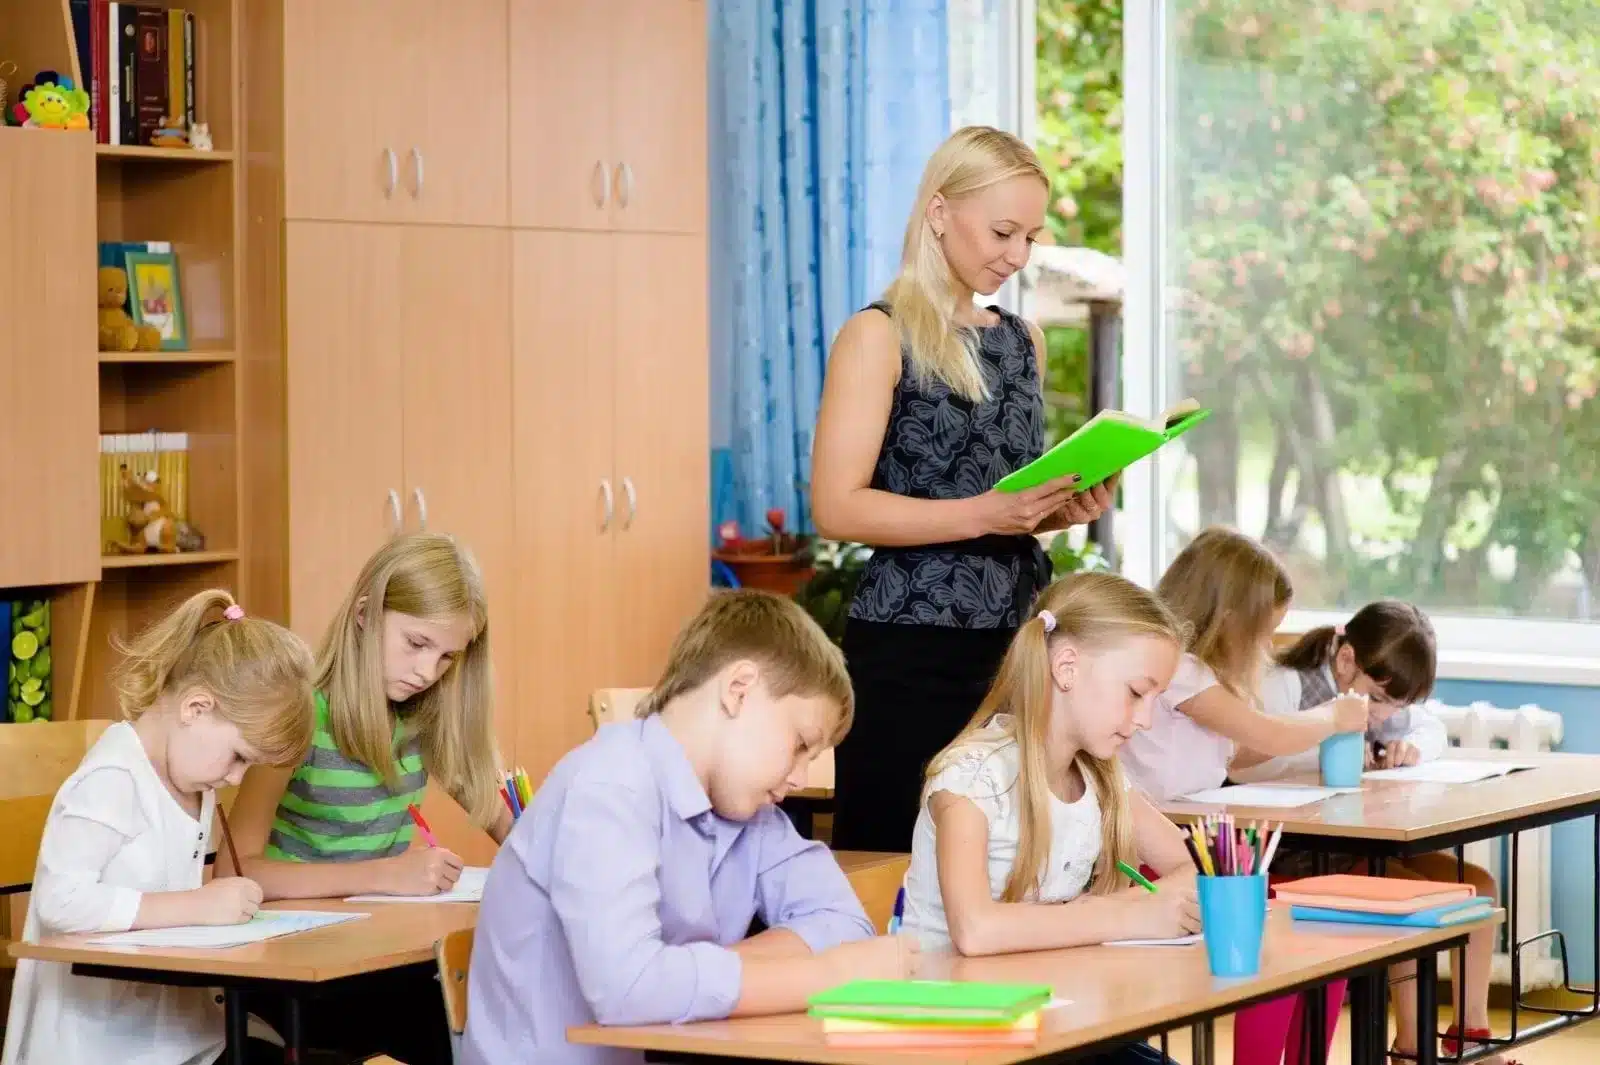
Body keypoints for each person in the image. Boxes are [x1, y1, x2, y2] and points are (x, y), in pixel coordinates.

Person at [812, 124, 1113, 853]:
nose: (1016, 255)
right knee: (894, 856)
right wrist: (985, 514)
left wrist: (1057, 509)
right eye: (1003, 231)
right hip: (912, 650)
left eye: (1030, 238)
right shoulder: (877, 336)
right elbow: (836, 504)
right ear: (940, 213)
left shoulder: (1023, 340)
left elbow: (1004, 504)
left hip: (1017, 646)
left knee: (1013, 857)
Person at [462, 590, 915, 1065]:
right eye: (800, 743)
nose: (801, 776)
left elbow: (844, 923)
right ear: (739, 689)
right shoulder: (608, 786)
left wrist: (679, 974)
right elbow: (629, 989)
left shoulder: (751, 812)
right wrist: (827, 976)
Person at [228, 532, 510, 1064]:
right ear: (364, 615)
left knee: (477, 1003)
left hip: (379, 955)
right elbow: (237, 870)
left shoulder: (425, 715)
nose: (428, 672)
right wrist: (383, 874)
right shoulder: (301, 712)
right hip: (294, 965)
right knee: (442, 1016)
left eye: (448, 656)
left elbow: (511, 826)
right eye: (416, 643)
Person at [2, 591, 315, 1065]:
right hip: (97, 1048)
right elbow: (60, 901)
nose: (235, 778)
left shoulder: (191, 779)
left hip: (172, 1038)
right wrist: (197, 905)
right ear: (196, 708)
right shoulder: (114, 777)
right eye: (239, 758)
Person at [1116, 526, 1367, 1065]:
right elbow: (1265, 735)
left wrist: (1305, 738)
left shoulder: (1197, 672)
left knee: (1321, 926)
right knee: (1278, 936)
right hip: (1161, 853)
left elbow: (1236, 753)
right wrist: (1333, 717)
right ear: (1227, 617)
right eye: (1261, 632)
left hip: (1196, 838)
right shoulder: (1177, 668)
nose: (1265, 646)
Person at [1235, 601, 1509, 1064]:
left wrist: (1411, 746)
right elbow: (1246, 759)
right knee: (1408, 893)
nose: (1384, 716)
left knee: (1478, 886)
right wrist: (1320, 749)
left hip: (1353, 839)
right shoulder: (1287, 685)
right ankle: (1411, 1046)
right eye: (1380, 702)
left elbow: (1431, 728)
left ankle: (1470, 1038)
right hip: (1291, 850)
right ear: (1346, 661)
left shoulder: (1382, 699)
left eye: (1397, 706)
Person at [901, 573, 1199, 963]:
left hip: (1045, 991)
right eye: (1136, 692)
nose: (1146, 720)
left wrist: (1132, 908)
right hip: (948, 1004)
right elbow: (975, 930)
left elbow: (1195, 868)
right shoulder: (972, 777)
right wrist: (1124, 914)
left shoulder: (1100, 777)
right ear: (1066, 667)